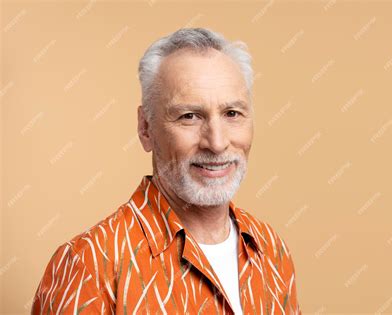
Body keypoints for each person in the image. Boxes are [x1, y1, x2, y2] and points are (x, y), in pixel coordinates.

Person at [32, 27, 301, 314]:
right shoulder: (89, 263)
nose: (218, 142)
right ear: (145, 128)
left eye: (232, 113)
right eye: (189, 116)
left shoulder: (270, 249)